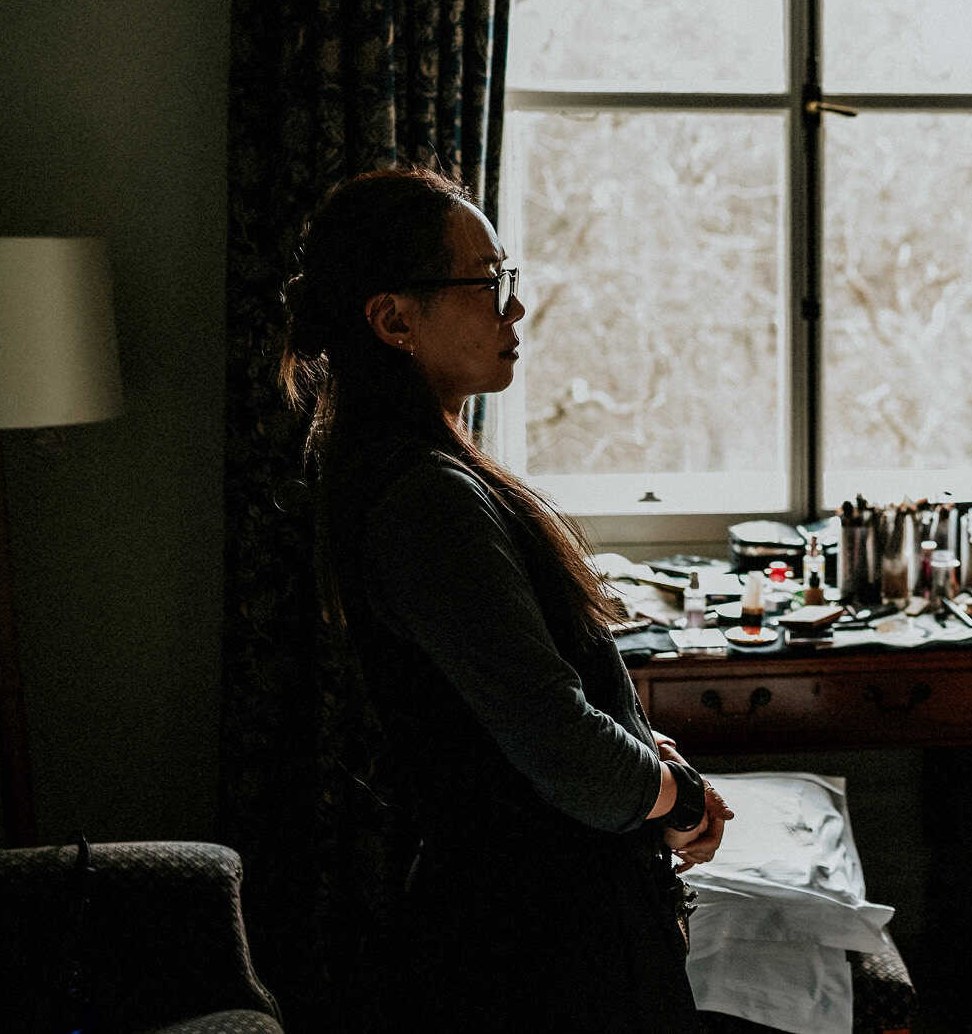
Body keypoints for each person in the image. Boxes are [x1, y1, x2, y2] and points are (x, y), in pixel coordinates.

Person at [280, 166, 731, 1031]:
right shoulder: (427, 499)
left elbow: (507, 706)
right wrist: (673, 795)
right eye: (487, 283)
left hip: (538, 913)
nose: (514, 308)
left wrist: (639, 751)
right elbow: (556, 740)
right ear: (393, 319)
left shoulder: (426, 477)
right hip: (541, 939)